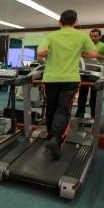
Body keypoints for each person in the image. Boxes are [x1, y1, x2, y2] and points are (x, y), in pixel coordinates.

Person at [37, 10, 97, 160]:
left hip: (51, 79)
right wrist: (78, 52)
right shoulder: (82, 36)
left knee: (51, 107)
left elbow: (41, 52)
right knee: (63, 109)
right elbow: (93, 54)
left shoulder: (51, 36)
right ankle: (56, 139)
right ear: (76, 22)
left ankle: (50, 135)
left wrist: (49, 53)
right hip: (70, 79)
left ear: (59, 22)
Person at [75, 28, 104, 118]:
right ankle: (80, 112)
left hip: (97, 73)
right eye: (91, 36)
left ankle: (94, 113)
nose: (92, 38)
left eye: (95, 36)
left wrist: (98, 56)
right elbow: (79, 54)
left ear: (100, 36)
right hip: (85, 72)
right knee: (82, 94)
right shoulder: (85, 45)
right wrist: (84, 55)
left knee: (95, 95)